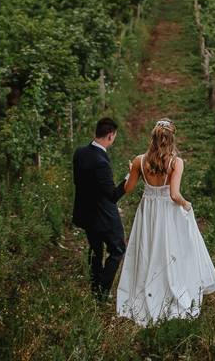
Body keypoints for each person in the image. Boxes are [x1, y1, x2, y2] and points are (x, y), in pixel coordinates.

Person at [116, 118, 215, 325]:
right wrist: (186, 203)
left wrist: (130, 171)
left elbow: (127, 189)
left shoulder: (139, 161)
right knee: (170, 249)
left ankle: (146, 286)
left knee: (147, 248)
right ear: (172, 139)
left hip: (148, 210)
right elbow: (174, 195)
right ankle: (168, 286)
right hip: (167, 211)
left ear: (152, 138)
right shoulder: (175, 162)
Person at [72, 117, 129, 300]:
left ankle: (95, 287)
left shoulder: (80, 153)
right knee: (118, 249)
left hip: (86, 213)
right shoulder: (101, 162)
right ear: (111, 135)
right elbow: (112, 195)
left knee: (96, 250)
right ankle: (101, 292)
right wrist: (128, 179)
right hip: (103, 216)